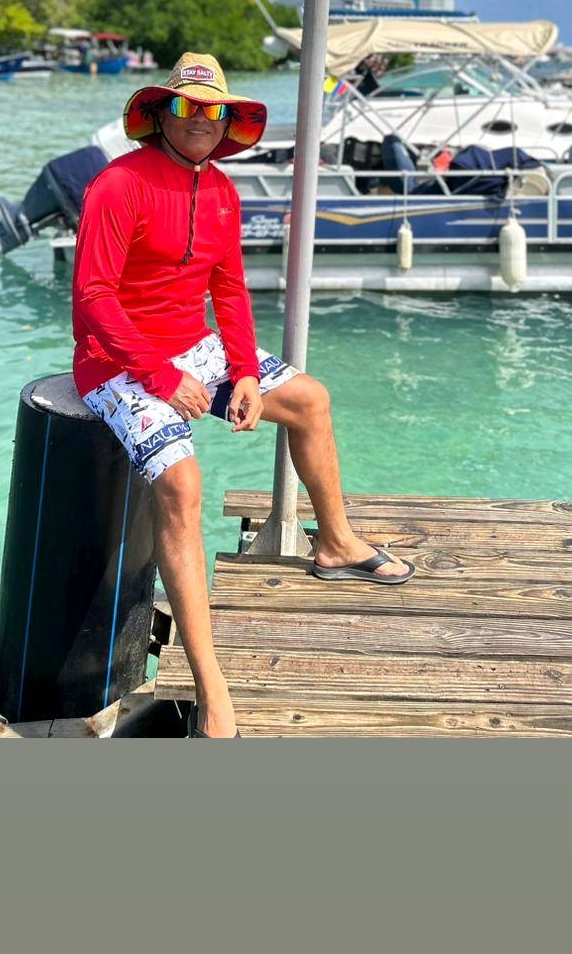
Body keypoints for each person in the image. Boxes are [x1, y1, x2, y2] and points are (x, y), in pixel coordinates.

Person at [72, 51, 413, 738]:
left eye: (214, 110)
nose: (201, 120)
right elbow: (92, 297)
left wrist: (247, 373)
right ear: (163, 114)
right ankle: (212, 684)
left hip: (192, 345)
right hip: (115, 363)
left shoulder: (224, 191)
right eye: (187, 106)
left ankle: (336, 543)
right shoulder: (118, 184)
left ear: (229, 121)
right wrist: (160, 375)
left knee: (310, 400)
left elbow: (228, 289)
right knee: (182, 485)